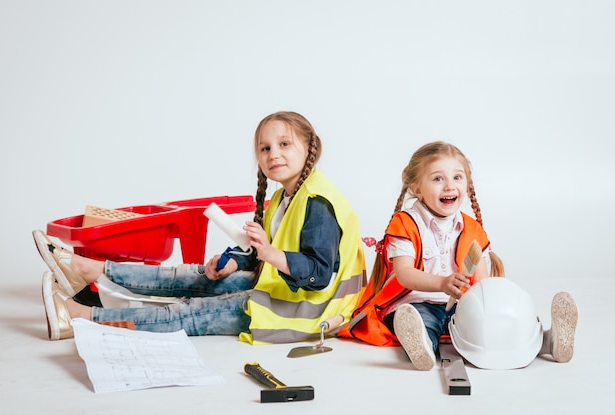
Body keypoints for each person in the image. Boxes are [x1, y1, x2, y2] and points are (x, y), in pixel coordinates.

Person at [34, 111, 367, 344]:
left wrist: (269, 252)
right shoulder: (286, 196)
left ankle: (80, 320)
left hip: (304, 311)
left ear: (310, 147)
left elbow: (317, 274)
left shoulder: (319, 201)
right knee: (193, 276)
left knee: (191, 314)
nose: (272, 155)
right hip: (282, 291)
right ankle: (90, 270)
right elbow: (262, 253)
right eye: (265, 148)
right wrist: (235, 260)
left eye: (284, 144)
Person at [338, 141, 578, 370]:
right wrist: (442, 283)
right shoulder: (406, 223)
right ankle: (423, 346)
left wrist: (489, 308)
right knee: (424, 322)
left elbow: (481, 285)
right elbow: (405, 275)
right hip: (416, 303)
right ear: (416, 189)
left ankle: (547, 342)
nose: (449, 186)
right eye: (437, 178)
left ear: (467, 183)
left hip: (459, 306)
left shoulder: (470, 228)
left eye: (457, 177)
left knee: (492, 327)